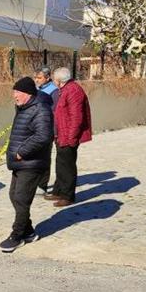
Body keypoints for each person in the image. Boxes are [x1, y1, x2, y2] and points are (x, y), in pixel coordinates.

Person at [0, 77, 53, 253]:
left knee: (21, 198)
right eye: (14, 92)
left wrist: (22, 152)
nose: (14, 96)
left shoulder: (41, 110)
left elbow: (43, 136)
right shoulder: (23, 108)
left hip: (32, 162)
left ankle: (17, 235)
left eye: (17, 93)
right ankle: (29, 232)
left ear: (27, 94)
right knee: (14, 195)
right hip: (20, 162)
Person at [45, 67, 93, 207]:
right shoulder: (64, 89)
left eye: (54, 78)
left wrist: (71, 138)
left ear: (59, 80)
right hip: (61, 134)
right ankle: (58, 191)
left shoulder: (73, 90)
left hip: (68, 136)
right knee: (60, 164)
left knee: (67, 166)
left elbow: (76, 117)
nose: (53, 81)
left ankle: (67, 196)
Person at [34, 67, 59, 195]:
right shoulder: (37, 89)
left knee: (44, 157)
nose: (37, 80)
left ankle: (42, 184)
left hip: (47, 128)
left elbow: (54, 111)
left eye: (39, 78)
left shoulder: (53, 91)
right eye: (36, 77)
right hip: (35, 128)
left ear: (47, 78)